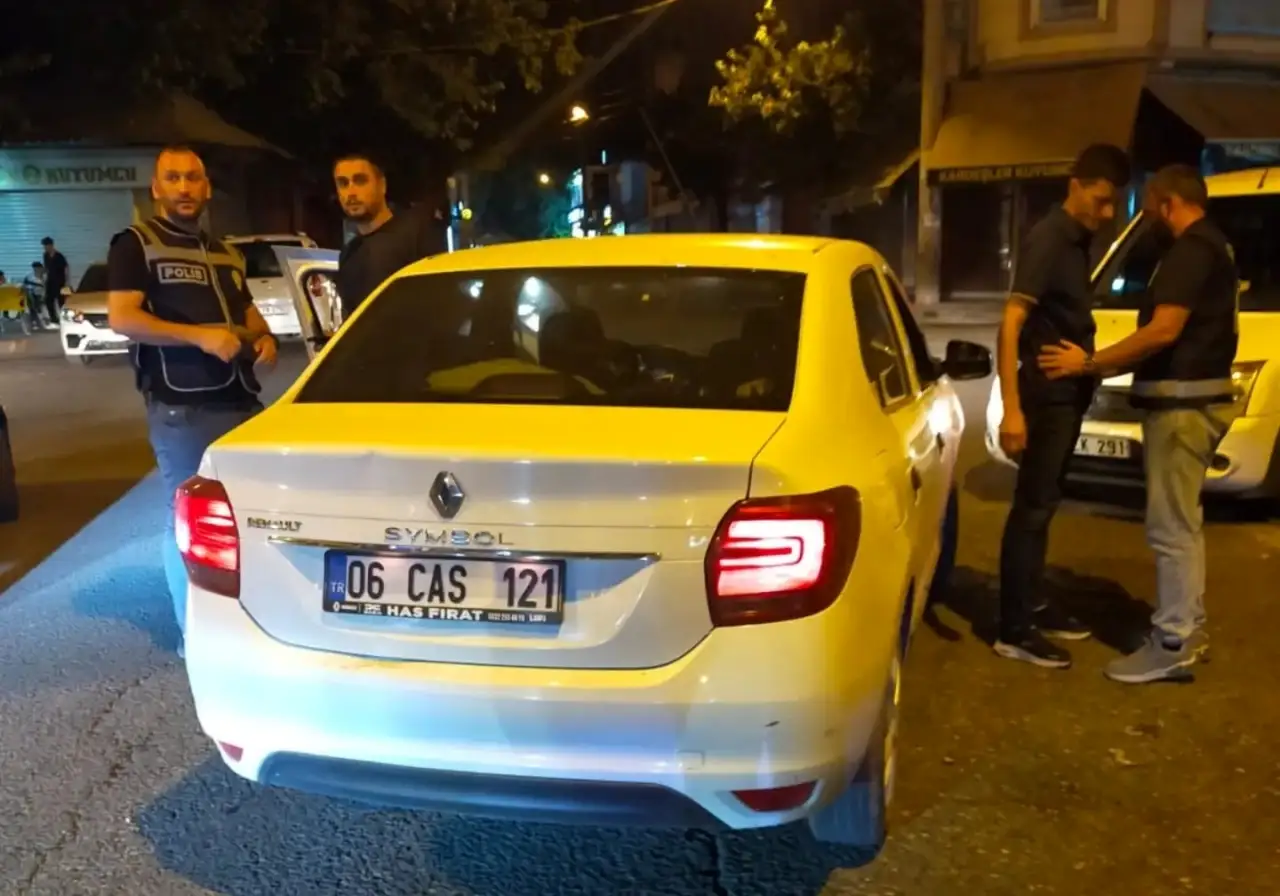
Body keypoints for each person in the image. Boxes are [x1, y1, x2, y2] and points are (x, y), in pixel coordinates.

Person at [1039, 164, 1235, 684]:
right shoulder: (1215, 246)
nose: (1145, 217)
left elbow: (1162, 331)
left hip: (1182, 407)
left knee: (1170, 529)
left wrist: (1089, 363)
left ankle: (1173, 642)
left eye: (1148, 207)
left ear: (1168, 203)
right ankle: (1186, 627)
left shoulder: (1190, 251)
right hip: (1195, 403)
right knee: (1183, 524)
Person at [106, 145, 279, 657]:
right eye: (173, 178)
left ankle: (251, 622)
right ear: (156, 188)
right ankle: (196, 637)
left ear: (207, 188)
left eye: (193, 178)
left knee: (247, 518)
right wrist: (200, 337)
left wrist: (264, 337)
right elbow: (123, 317)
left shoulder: (224, 251)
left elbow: (246, 309)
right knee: (187, 520)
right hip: (182, 407)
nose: (184, 187)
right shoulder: (135, 243)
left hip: (240, 400)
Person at [993, 143, 1132, 670]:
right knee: (1031, 509)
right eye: (1101, 200)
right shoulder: (1050, 238)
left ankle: (1033, 604)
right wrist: (1012, 409)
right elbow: (1011, 321)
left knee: (1044, 504)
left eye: (1113, 202)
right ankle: (1014, 628)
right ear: (1076, 185)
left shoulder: (1076, 240)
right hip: (1045, 396)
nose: (1108, 212)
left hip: (1066, 394)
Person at [332, 153, 448, 322]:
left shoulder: (417, 232)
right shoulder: (349, 254)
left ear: (382, 185)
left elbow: (441, 303)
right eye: (343, 183)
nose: (351, 192)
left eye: (360, 181)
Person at [41, 236, 69, 323]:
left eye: (47, 246)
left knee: (61, 301)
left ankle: (65, 318)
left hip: (60, 282)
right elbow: (46, 268)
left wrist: (67, 282)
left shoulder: (59, 256)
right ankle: (53, 318)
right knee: (48, 300)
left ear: (51, 245)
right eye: (44, 246)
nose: (45, 248)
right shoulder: (45, 255)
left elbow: (66, 268)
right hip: (50, 281)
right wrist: (43, 277)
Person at [22, 262, 48, 330]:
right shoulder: (29, 276)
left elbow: (45, 287)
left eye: (38, 268)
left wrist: (43, 295)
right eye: (35, 268)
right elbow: (24, 285)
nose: (36, 270)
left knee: (38, 307)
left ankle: (40, 322)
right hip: (31, 293)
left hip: (40, 294)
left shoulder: (44, 276)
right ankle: (35, 322)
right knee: (33, 307)